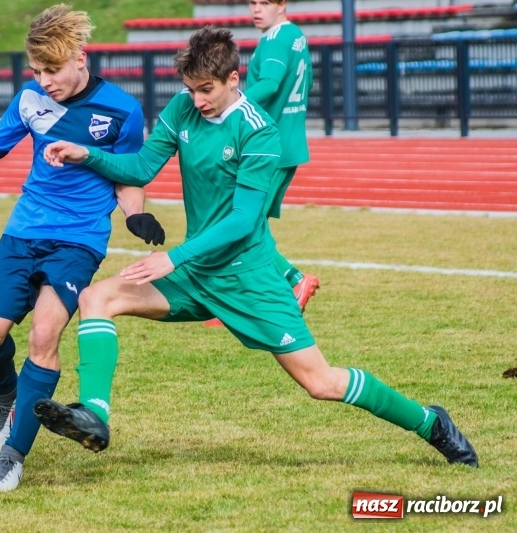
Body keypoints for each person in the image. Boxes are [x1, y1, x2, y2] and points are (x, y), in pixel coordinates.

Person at [33, 26, 478, 469]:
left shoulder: (260, 132)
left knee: (321, 382)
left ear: (233, 79)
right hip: (194, 275)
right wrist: (86, 154)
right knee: (96, 298)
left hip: (248, 276)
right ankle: (94, 415)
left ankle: (430, 423)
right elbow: (143, 165)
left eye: (206, 90)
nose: (197, 100)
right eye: (189, 90)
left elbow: (244, 221)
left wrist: (173, 256)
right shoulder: (183, 108)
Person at [0, 4, 165, 493]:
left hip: (78, 241)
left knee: (44, 335)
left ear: (81, 59)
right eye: (36, 71)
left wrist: (134, 213)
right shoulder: (28, 99)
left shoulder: (122, 110)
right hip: (23, 231)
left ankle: (13, 457)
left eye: (52, 71)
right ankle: (6, 396)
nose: (44, 81)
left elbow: (127, 174)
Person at [205, 0, 316, 330]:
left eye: (264, 2)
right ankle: (262, 291)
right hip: (286, 142)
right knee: (251, 223)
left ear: (282, 4)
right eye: (252, 3)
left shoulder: (276, 38)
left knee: (242, 223)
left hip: (269, 146)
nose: (256, 9)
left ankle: (290, 281)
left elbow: (269, 83)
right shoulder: (294, 35)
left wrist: (232, 105)